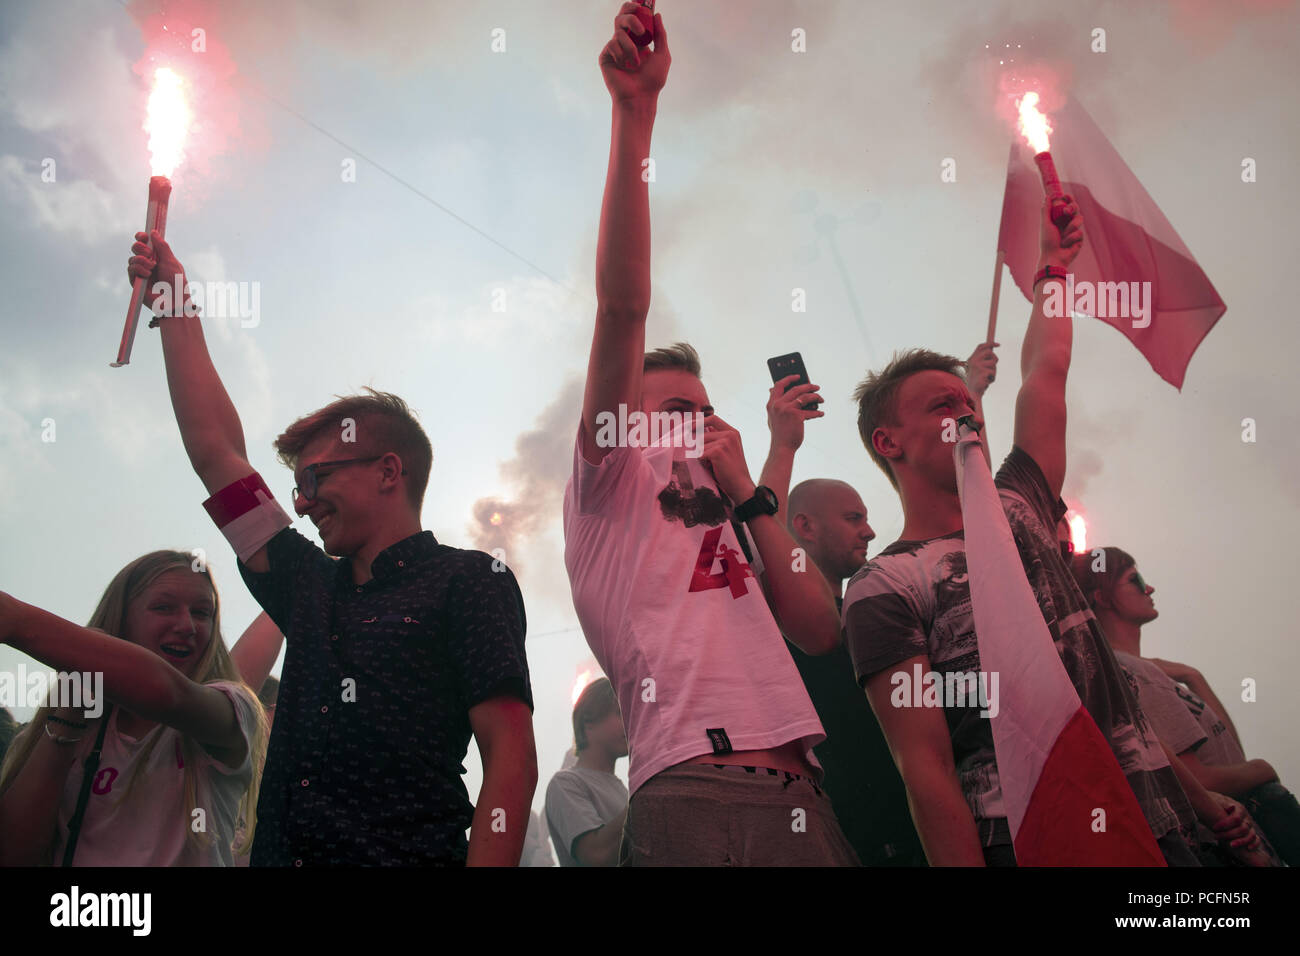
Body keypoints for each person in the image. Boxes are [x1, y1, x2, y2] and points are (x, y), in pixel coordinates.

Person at [126, 237, 537, 867]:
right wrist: (178, 306)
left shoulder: (471, 580)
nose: (301, 502)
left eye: (316, 480)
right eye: (296, 486)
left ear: (388, 471)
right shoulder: (305, 582)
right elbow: (217, 454)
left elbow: (509, 763)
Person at [563, 5, 855, 866]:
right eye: (672, 409)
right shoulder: (610, 478)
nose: (695, 421)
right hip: (694, 786)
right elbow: (623, 303)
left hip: (804, 789)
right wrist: (636, 116)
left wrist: (761, 484)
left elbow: (818, 627)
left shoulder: (731, 506)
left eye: (702, 404)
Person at [842, 197, 1210, 865]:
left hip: (1152, 822)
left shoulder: (1020, 502)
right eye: (942, 404)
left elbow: (1046, 373)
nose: (966, 412)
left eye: (967, 401)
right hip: (1027, 838)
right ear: (887, 440)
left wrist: (1053, 269)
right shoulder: (882, 582)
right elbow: (924, 770)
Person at [0, 551, 266, 866]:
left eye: (202, 613)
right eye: (163, 607)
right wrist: (68, 716)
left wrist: (17, 621)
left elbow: (164, 692)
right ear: (120, 621)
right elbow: (14, 855)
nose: (186, 625)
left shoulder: (233, 706)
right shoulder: (56, 730)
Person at [1074, 547, 1300, 865]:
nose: (1149, 588)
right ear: (1103, 597)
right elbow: (1195, 778)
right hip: (1224, 847)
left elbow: (1229, 751)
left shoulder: (1151, 672)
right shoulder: (1130, 670)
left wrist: (1193, 677)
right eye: (1135, 579)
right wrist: (1261, 769)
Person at [545, 678, 628, 867]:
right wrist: (646, 792)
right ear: (588, 722)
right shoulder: (566, 783)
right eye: (619, 713)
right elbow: (595, 855)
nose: (629, 722)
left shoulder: (621, 788)